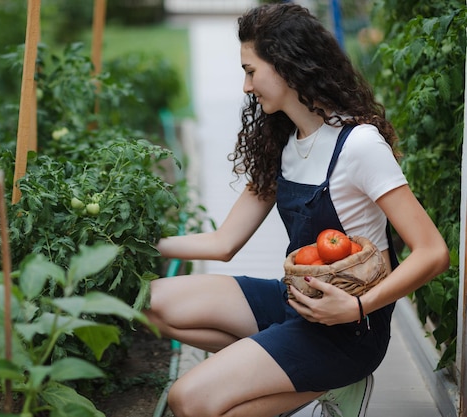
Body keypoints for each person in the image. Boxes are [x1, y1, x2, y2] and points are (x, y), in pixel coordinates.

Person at [144, 3, 449, 417]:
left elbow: (432, 251)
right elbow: (223, 242)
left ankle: (330, 378)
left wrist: (356, 307)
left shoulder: (358, 145)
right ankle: (287, 370)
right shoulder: (282, 140)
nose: (247, 86)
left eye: (251, 70)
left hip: (348, 330)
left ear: (286, 64)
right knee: (150, 302)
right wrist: (137, 244)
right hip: (297, 305)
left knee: (190, 401)